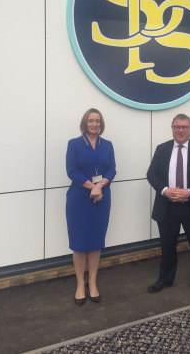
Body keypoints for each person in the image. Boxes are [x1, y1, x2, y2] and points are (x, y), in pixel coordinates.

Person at [147, 114, 190, 301]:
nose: (181, 130)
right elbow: (151, 174)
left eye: (184, 127)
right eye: (177, 127)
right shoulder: (162, 149)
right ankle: (166, 279)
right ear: (172, 128)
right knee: (167, 246)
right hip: (167, 207)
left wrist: (189, 192)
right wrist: (165, 190)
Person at [66, 108, 116, 306]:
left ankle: (93, 283)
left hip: (101, 198)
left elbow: (112, 169)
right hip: (79, 199)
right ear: (84, 123)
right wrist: (93, 187)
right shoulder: (74, 144)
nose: (94, 124)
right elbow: (72, 171)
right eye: (90, 121)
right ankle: (80, 284)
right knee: (79, 242)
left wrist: (100, 186)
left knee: (96, 241)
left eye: (97, 121)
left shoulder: (108, 145)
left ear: (101, 123)